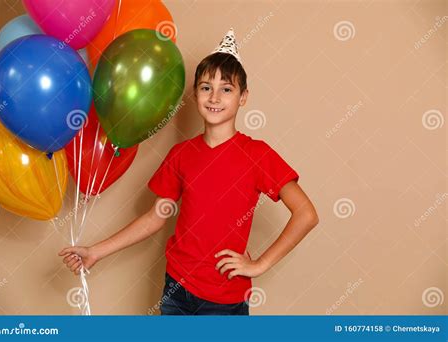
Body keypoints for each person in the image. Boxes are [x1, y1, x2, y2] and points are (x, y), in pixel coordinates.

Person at [58, 28, 319, 315]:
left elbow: (306, 214)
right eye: (206, 87)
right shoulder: (181, 155)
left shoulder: (257, 155)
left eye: (227, 89)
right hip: (176, 290)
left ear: (243, 97)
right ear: (195, 94)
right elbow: (155, 217)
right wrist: (96, 251)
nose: (215, 96)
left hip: (224, 299)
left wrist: (260, 264)